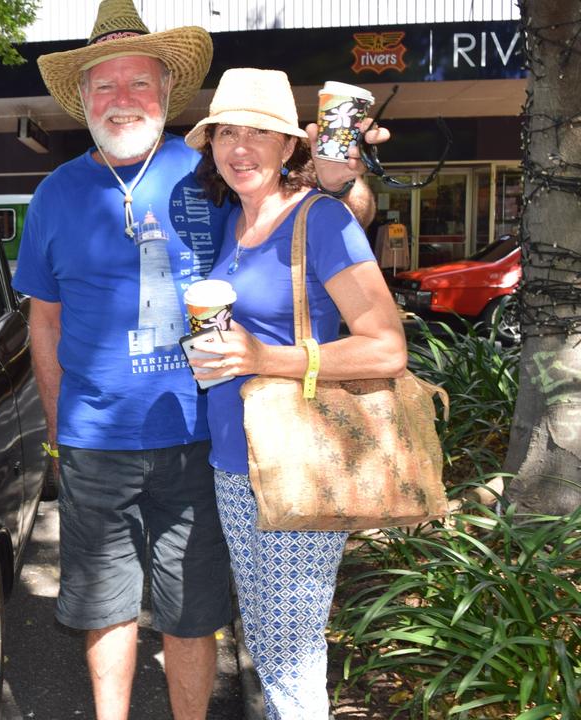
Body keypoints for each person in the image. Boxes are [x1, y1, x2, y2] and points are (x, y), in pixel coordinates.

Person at [13, 2, 388, 719]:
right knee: (105, 608)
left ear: (166, 93)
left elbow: (323, 220)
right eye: (105, 86)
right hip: (95, 444)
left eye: (139, 84)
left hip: (203, 440)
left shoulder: (217, 171)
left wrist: (343, 181)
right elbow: (45, 323)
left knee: (193, 611)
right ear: (84, 98)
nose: (122, 100)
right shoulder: (55, 195)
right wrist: (61, 434)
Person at [183, 68, 408, 719]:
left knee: (290, 657)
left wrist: (263, 357)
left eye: (261, 132)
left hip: (297, 463)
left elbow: (386, 348)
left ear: (290, 148)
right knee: (268, 642)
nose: (240, 146)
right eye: (227, 130)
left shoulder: (323, 219)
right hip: (235, 464)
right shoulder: (239, 225)